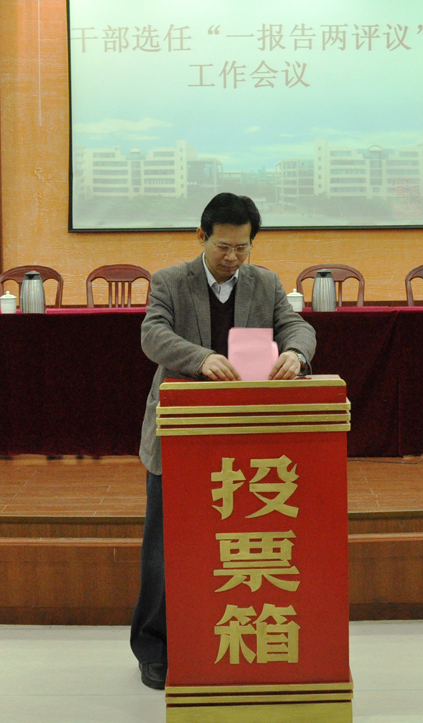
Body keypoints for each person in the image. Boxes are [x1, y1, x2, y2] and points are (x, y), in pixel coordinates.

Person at [130, 192, 316, 689]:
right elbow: (153, 335)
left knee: (233, 547)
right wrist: (200, 357)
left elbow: (297, 327)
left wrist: (296, 354)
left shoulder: (265, 283)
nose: (232, 257)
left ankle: (225, 637)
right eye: (223, 247)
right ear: (201, 236)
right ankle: (154, 647)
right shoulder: (170, 281)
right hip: (178, 435)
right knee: (164, 547)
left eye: (242, 248)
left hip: (243, 438)